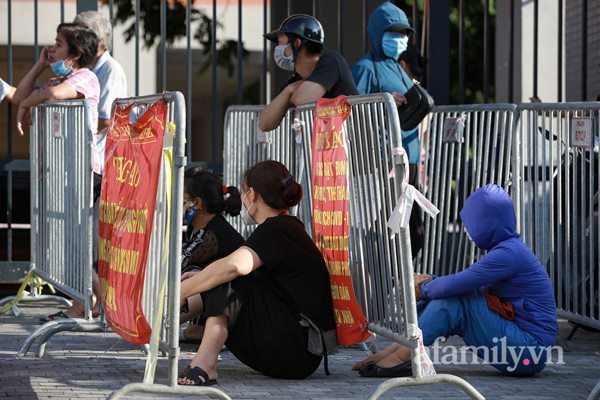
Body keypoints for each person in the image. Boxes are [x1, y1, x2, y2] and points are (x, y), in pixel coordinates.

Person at [353, 184, 558, 377]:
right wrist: (430, 283)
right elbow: (458, 283)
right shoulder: (509, 249)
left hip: (529, 351)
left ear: (487, 223)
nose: (469, 231)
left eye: (473, 224)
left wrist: (424, 286)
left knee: (456, 299)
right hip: (525, 347)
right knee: (450, 295)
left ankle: (403, 356)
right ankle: (397, 351)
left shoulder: (509, 254)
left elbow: (458, 284)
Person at [178, 160, 337, 386]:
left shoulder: (278, 229)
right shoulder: (283, 227)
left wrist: (181, 292)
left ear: (251, 195)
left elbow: (233, 267)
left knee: (227, 272)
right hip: (295, 349)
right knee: (221, 270)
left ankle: (205, 364)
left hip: (294, 351)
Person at [42, 12, 129, 322]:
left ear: (96, 41)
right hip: (81, 164)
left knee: (88, 243)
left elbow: (107, 118)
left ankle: (98, 305)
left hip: (99, 166)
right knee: (78, 241)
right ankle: (86, 303)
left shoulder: (107, 71)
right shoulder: (83, 71)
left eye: (80, 33)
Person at [351, 1, 424, 258]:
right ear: (377, 32)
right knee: (389, 235)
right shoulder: (365, 68)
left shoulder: (397, 67)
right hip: (385, 163)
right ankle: (385, 290)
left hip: (409, 162)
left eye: (404, 33)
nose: (401, 38)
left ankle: (396, 288)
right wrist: (384, 102)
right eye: (394, 32)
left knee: (412, 235)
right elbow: (352, 112)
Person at [259, 14, 358, 132]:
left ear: (297, 43)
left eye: (281, 43)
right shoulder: (295, 81)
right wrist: (288, 89)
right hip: (324, 148)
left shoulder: (331, 62)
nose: (277, 49)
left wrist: (291, 90)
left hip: (354, 147)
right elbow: (264, 124)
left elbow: (301, 99)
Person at [179, 167, 244, 342]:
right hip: (223, 304)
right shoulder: (198, 227)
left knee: (188, 273)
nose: (178, 204)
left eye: (182, 199)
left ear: (197, 204)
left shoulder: (211, 233)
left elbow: (179, 265)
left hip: (236, 308)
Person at [13, 23, 99, 137]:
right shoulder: (56, 82)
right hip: (54, 153)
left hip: (80, 154)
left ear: (75, 55)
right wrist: (40, 65)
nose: (51, 49)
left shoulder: (87, 77)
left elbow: (54, 93)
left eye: (59, 44)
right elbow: (19, 97)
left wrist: (25, 104)